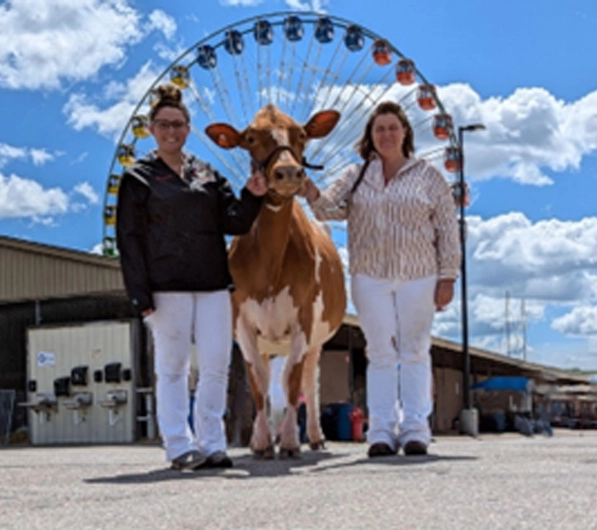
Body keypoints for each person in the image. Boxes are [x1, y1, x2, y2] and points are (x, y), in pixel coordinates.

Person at [116, 83, 268, 470]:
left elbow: (234, 221)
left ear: (188, 128)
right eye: (164, 124)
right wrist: (140, 295)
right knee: (174, 368)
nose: (171, 131)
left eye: (179, 124)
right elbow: (129, 241)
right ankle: (178, 445)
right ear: (151, 128)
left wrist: (252, 195)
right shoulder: (138, 178)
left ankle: (212, 442)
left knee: (217, 364)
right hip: (166, 287)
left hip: (213, 284)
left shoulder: (206, 173)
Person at [301, 101, 460, 457]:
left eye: (392, 127)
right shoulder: (356, 175)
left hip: (418, 274)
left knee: (415, 349)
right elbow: (330, 208)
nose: (386, 135)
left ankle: (416, 429)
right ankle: (382, 431)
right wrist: (309, 191)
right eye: (379, 129)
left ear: (405, 132)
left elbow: (448, 228)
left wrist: (447, 276)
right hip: (369, 274)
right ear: (370, 137)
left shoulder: (428, 176)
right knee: (379, 352)